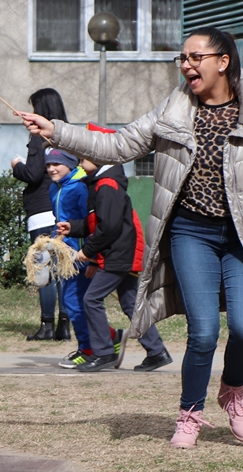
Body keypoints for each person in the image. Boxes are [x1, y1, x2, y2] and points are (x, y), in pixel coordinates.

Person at [18, 26, 243, 449]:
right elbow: (115, 145)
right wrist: (56, 131)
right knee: (203, 332)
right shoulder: (172, 112)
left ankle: (233, 392)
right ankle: (190, 413)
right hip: (191, 232)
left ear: (223, 61)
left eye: (195, 57)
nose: (186, 65)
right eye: (182, 58)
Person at [56, 155, 173, 372]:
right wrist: (73, 227)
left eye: (83, 159)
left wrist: (87, 251)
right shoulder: (102, 183)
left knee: (91, 299)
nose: (80, 164)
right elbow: (99, 222)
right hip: (121, 252)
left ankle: (104, 353)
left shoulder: (107, 185)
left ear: (99, 158)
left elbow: (109, 228)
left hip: (119, 254)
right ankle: (157, 351)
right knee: (130, 303)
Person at [12, 89, 70, 341]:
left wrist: (17, 166)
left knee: (44, 271)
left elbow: (33, 174)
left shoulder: (39, 138)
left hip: (41, 211)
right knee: (63, 270)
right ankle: (64, 326)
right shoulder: (67, 135)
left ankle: (47, 325)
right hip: (63, 210)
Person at [43, 149, 93, 368]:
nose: (52, 168)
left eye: (57, 164)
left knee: (73, 301)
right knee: (74, 301)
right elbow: (59, 220)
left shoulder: (79, 187)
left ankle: (89, 349)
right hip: (65, 255)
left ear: (71, 165)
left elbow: (89, 223)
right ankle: (108, 339)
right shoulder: (54, 188)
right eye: (48, 165)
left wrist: (90, 255)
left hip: (80, 255)